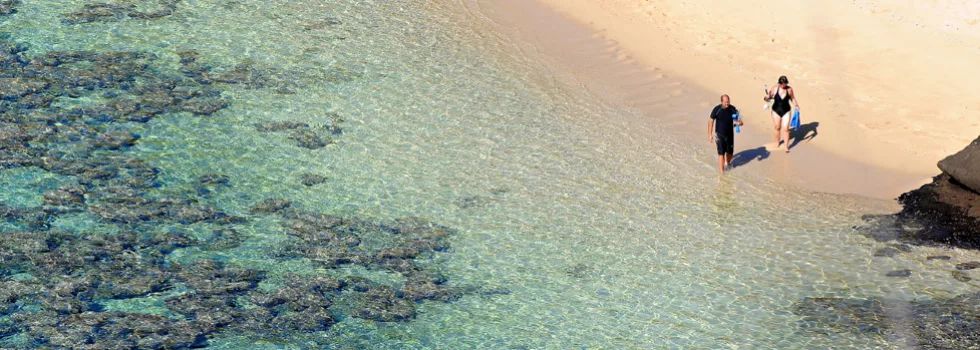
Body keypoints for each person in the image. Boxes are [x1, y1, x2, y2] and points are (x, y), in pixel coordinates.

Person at [764, 75, 801, 153]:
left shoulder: (789, 89)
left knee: (786, 129)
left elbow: (792, 98)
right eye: (782, 84)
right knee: (777, 127)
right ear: (779, 83)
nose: (784, 85)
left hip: (786, 111)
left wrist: (796, 105)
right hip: (776, 111)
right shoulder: (774, 88)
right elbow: (768, 98)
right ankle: (777, 142)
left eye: (785, 84)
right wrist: (767, 97)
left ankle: (786, 146)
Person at [708, 94, 742, 174]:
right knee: (721, 154)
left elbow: (740, 121)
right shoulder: (717, 109)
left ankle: (728, 163)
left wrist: (739, 123)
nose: (727, 103)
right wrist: (710, 134)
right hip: (719, 134)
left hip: (730, 134)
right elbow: (711, 121)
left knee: (730, 154)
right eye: (725, 102)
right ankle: (722, 173)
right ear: (721, 102)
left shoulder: (733, 109)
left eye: (728, 101)